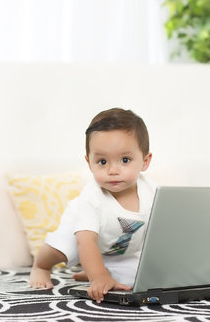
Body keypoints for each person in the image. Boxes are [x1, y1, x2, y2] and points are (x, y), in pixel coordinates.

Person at [29, 108, 156, 303]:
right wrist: (99, 277)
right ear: (90, 163)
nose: (113, 170)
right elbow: (86, 242)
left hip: (118, 245)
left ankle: (93, 269)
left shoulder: (152, 192)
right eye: (102, 161)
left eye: (125, 160)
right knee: (63, 249)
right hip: (81, 232)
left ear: (145, 162)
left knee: (136, 275)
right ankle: (40, 266)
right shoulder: (91, 198)